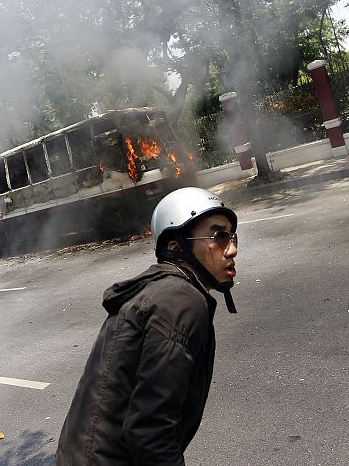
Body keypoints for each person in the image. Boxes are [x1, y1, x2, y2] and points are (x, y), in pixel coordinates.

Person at [56, 187, 239, 465]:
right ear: (176, 246)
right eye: (218, 236)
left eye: (232, 236)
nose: (233, 249)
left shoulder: (162, 291)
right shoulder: (180, 300)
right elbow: (151, 433)